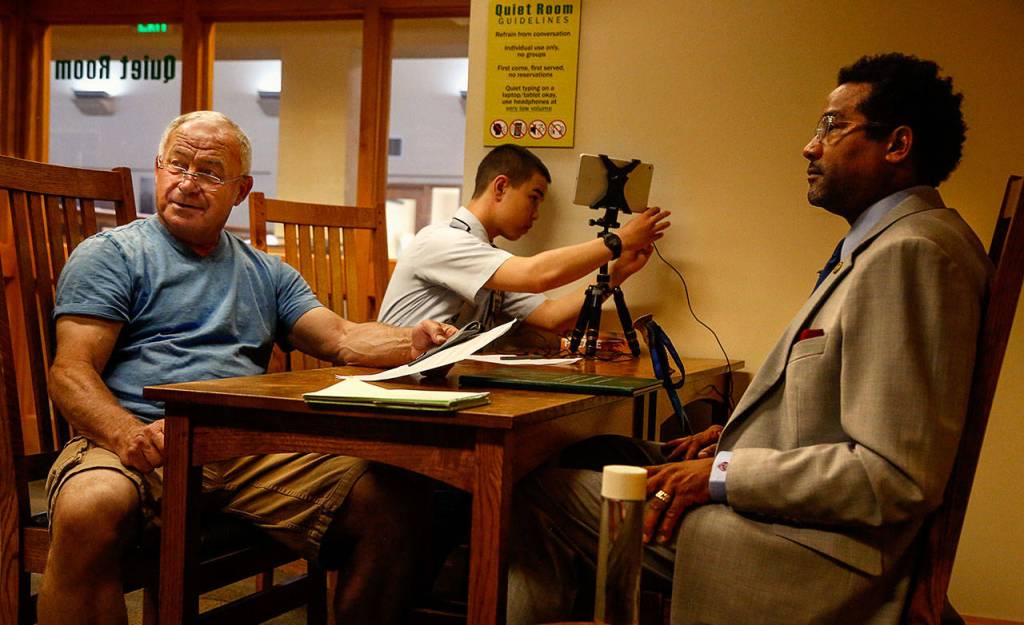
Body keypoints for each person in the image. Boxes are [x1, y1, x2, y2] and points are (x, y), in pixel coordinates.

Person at [507, 52, 992, 625]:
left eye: (832, 127)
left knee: (537, 490)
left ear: (898, 145)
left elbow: (892, 477)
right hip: (802, 523)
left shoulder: (910, 254)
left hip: (815, 555)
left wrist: (721, 474)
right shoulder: (892, 244)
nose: (810, 147)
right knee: (596, 452)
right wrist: (732, 441)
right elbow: (846, 406)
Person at [38, 110, 456, 625]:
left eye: (210, 172)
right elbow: (71, 371)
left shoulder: (266, 272)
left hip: (242, 450)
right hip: (136, 440)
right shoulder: (113, 254)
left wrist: (413, 342)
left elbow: (343, 337)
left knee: (395, 498)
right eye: (177, 166)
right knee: (88, 508)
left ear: (240, 190)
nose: (188, 183)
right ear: (159, 167)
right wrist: (128, 435)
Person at [377, 144, 671, 335]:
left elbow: (552, 317)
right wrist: (618, 241)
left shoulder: (487, 259)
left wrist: (617, 273)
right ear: (501, 187)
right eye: (533, 198)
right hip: (399, 383)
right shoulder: (441, 240)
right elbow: (536, 275)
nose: (536, 214)